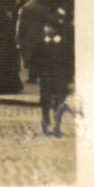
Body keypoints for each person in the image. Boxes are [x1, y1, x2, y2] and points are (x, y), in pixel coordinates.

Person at [29, 9, 75, 137]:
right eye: (46, 26)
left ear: (56, 29)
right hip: (46, 78)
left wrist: (69, 76)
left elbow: (69, 61)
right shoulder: (41, 44)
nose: (47, 29)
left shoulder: (64, 45)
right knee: (45, 101)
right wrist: (37, 72)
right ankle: (46, 121)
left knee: (59, 102)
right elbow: (34, 60)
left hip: (60, 78)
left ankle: (57, 125)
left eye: (50, 27)